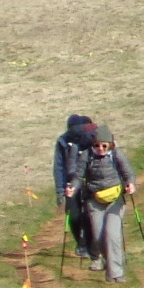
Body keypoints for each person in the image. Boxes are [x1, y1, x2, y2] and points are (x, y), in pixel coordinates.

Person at [65, 124, 139, 282]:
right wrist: (73, 188)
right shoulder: (86, 156)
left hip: (115, 201)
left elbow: (128, 173)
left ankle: (116, 273)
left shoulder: (117, 154)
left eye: (104, 145)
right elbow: (78, 177)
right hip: (94, 200)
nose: (100, 148)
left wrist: (130, 184)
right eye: (97, 145)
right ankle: (108, 263)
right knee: (98, 237)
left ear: (110, 144)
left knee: (112, 235)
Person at [51, 112, 99, 265]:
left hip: (88, 182)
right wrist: (60, 190)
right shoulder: (63, 142)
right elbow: (59, 167)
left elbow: (58, 168)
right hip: (72, 184)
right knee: (77, 216)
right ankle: (84, 244)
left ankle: (88, 246)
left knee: (84, 215)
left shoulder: (92, 139)